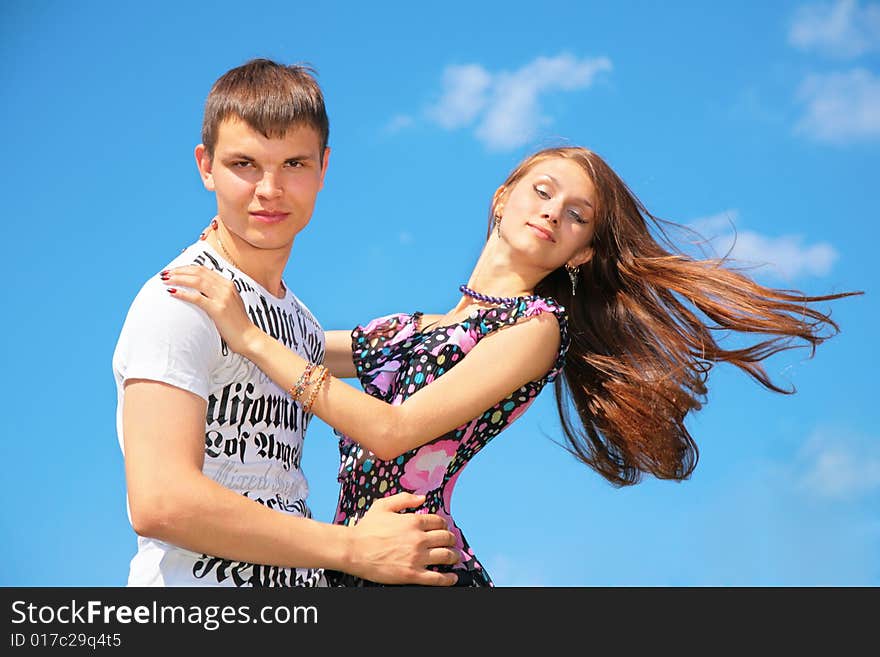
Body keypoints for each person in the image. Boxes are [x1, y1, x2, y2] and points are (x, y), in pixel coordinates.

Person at [161, 145, 860, 587]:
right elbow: (296, 335)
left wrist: (248, 336)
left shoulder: (535, 331)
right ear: (503, 198)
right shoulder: (408, 329)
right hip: (357, 562)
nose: (554, 212)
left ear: (581, 253)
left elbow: (390, 430)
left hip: (422, 572)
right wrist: (231, 259)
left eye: (578, 214)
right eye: (543, 190)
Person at [112, 58, 460, 587]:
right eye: (244, 164)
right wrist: (352, 547)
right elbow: (161, 500)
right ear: (205, 167)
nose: (270, 189)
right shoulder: (182, 298)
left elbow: (396, 342)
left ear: (324, 169)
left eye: (293, 164)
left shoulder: (299, 323)